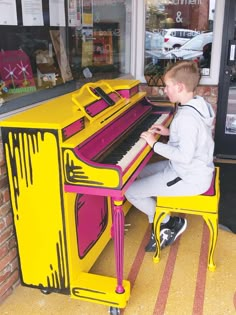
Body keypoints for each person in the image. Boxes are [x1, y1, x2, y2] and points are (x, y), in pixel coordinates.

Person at [125, 60, 215, 252]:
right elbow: (191, 137)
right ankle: (158, 219)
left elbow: (184, 156)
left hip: (188, 176)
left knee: (130, 191)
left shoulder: (186, 118)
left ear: (180, 86)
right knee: (138, 175)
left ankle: (169, 223)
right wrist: (168, 133)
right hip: (188, 169)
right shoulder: (197, 104)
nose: (165, 90)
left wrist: (154, 143)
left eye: (167, 86)